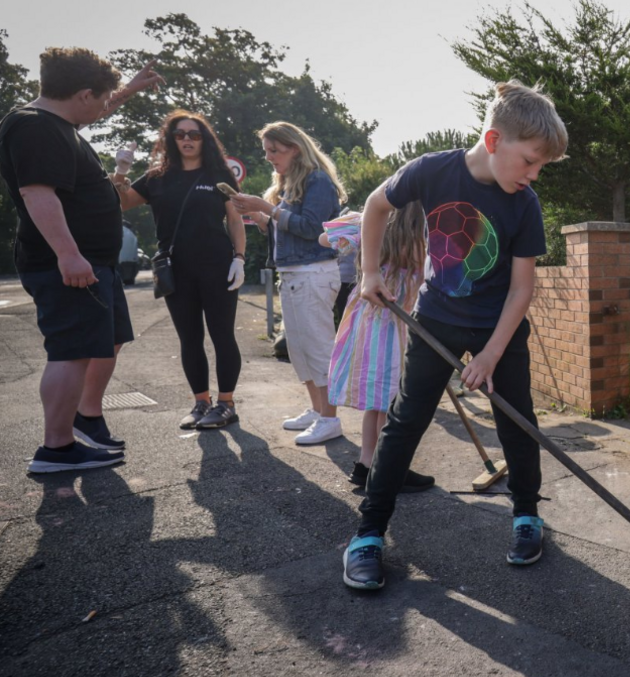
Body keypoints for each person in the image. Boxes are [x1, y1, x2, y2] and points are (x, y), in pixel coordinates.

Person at [342, 80, 568, 590]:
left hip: (498, 325)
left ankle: (527, 516)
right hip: (438, 316)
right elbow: (377, 206)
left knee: (518, 421)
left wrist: (490, 354)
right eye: (531, 161)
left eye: (540, 167)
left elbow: (521, 289)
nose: (534, 175)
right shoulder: (432, 170)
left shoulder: (524, 203)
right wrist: (369, 272)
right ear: (494, 142)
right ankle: (368, 533)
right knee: (406, 421)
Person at [0, 48, 162, 473]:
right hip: (69, 265)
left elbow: (99, 105)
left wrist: (129, 90)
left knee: (104, 341)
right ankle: (57, 448)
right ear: (84, 94)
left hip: (95, 263)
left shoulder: (58, 122)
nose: (105, 107)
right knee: (71, 352)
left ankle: (85, 420)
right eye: (103, 98)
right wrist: (69, 256)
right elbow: (39, 194)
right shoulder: (35, 129)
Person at [110, 111, 247, 429]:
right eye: (180, 134)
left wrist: (239, 257)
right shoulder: (157, 177)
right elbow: (122, 203)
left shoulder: (218, 174)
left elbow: (235, 218)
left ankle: (226, 404)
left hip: (217, 266)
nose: (187, 139)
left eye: (194, 134)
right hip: (175, 268)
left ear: (205, 139)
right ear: (171, 139)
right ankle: (201, 403)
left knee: (222, 335)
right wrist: (121, 171)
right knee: (189, 338)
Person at [232, 122, 345, 445]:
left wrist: (266, 207)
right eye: (267, 150)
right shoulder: (289, 182)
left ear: (294, 148)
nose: (269, 157)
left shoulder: (317, 180)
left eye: (274, 150)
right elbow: (289, 229)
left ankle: (329, 418)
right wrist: (261, 218)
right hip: (295, 274)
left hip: (314, 273)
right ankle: (317, 409)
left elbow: (311, 228)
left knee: (318, 347)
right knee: (299, 348)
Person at [322, 205, 435, 492]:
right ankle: (388, 469)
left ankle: (366, 465)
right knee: (389, 401)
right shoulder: (423, 244)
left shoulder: (371, 225)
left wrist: (357, 224)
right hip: (393, 328)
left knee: (378, 401)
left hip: (366, 324)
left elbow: (325, 239)